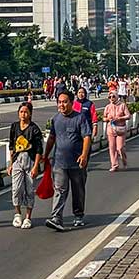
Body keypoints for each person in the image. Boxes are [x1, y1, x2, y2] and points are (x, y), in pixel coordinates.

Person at [44, 91, 92, 231]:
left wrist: (84, 155)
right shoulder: (56, 119)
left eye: (65, 102)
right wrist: (45, 154)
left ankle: (78, 215)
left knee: (78, 190)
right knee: (59, 190)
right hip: (59, 162)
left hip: (76, 162)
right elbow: (52, 138)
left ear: (72, 102)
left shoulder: (80, 118)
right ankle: (56, 218)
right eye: (59, 102)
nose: (61, 105)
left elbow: (87, 137)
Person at [8, 102, 43, 229]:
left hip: (30, 161)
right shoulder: (14, 127)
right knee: (16, 188)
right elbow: (11, 146)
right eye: (21, 112)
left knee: (29, 189)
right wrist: (11, 164)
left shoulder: (34, 129)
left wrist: (35, 167)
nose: (23, 114)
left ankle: (28, 217)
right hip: (17, 160)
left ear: (30, 114)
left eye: (26, 112)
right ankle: (17, 214)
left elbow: (39, 149)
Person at [103, 91, 131, 172]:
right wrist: (108, 119)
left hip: (120, 129)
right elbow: (104, 118)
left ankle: (124, 161)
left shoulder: (122, 105)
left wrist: (120, 118)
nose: (111, 98)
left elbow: (128, 116)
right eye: (110, 97)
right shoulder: (108, 107)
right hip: (111, 129)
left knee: (120, 148)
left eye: (113, 96)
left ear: (117, 97)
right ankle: (114, 165)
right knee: (112, 148)